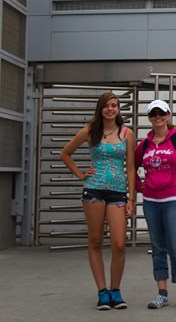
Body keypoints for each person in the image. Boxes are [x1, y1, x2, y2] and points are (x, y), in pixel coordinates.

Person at [59, 91, 136, 310]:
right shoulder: (89, 131)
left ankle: (115, 290)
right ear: (100, 108)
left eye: (115, 105)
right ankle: (102, 292)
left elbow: (131, 167)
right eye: (107, 105)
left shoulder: (127, 133)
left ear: (119, 109)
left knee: (119, 244)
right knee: (95, 241)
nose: (111, 109)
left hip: (118, 193)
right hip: (94, 191)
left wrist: (131, 198)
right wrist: (80, 174)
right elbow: (65, 153)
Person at [135, 99, 176, 309]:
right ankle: (161, 293)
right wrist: (139, 187)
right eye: (153, 114)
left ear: (168, 116)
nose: (157, 117)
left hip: (174, 202)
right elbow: (132, 166)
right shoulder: (143, 145)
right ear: (149, 118)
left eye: (161, 113)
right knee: (157, 248)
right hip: (151, 202)